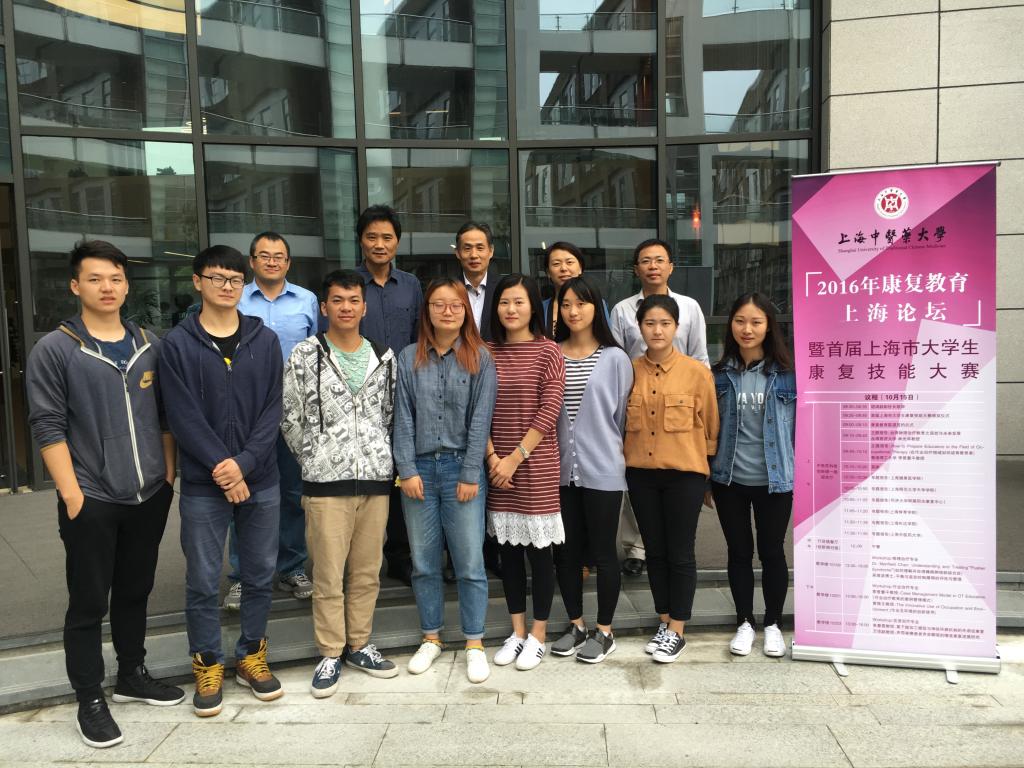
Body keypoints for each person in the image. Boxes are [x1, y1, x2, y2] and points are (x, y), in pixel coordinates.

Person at [26, 241, 183, 748]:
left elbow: (165, 417)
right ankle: (89, 697)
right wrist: (73, 496)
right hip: (91, 497)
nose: (107, 287)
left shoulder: (149, 344)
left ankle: (132, 675)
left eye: (115, 278)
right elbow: (47, 426)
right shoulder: (56, 349)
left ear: (126, 285)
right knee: (89, 600)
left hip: (148, 494)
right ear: (76, 286)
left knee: (135, 589)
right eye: (95, 279)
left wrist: (167, 477)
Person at [159, 245, 284, 716]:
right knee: (203, 579)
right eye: (217, 278)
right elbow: (181, 416)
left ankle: (251, 654)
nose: (227, 286)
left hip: (260, 478)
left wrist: (244, 464)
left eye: (234, 279)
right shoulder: (178, 344)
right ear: (198, 282)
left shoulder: (264, 340)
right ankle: (207, 661)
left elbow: (273, 409)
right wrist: (224, 468)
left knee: (259, 574)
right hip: (203, 483)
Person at [281, 269, 400, 698]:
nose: (346, 308)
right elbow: (289, 415)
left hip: (374, 481)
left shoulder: (384, 356)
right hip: (325, 484)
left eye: (353, 300)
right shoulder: (305, 354)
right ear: (324, 307)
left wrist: (378, 457)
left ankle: (360, 645)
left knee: (367, 571)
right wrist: (316, 456)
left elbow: (389, 415)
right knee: (328, 574)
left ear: (364, 307)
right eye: (337, 300)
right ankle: (330, 651)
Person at [394, 279, 496, 684]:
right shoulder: (409, 357)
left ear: (465, 311)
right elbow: (402, 417)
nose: (448, 311)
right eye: (439, 304)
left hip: (461, 470)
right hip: (419, 471)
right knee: (423, 563)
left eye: (455, 305)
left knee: (470, 563)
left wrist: (471, 473)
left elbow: (481, 420)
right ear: (428, 311)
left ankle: (474, 642)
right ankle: (431, 638)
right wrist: (407, 470)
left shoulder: (480, 357)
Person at [220, 232, 319, 611]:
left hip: (296, 412)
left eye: (279, 256)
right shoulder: (237, 298)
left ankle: (292, 567)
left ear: (288, 263)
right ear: (252, 261)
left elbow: (316, 355)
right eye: (264, 255)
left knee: (293, 494)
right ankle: (243, 576)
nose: (272, 261)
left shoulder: (307, 301)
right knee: (243, 493)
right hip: (247, 412)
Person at [624, 294, 718, 663]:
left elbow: (711, 427)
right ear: (640, 328)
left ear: (677, 327)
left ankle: (677, 628)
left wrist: (709, 479)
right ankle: (664, 620)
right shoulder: (628, 370)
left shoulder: (697, 373)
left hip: (685, 475)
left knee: (680, 552)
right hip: (641, 476)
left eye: (665, 323)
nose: (657, 330)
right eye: (650, 323)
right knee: (655, 550)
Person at [610, 238, 710, 578]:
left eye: (659, 260)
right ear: (636, 269)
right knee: (638, 480)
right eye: (645, 261)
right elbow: (616, 359)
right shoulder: (622, 310)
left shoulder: (689, 307)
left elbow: (700, 356)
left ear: (671, 267)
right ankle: (635, 548)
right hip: (638, 398)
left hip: (680, 405)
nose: (652, 266)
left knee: (677, 538)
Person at [549, 276, 632, 664]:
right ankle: (576, 625)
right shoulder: (551, 353)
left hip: (604, 470)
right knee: (566, 553)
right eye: (565, 304)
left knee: (603, 553)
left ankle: (605, 630)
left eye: (581, 303)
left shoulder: (615, 359)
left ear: (595, 308)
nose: (573, 311)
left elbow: (621, 417)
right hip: (560, 472)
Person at [485, 274, 565, 671]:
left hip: (535, 465)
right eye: (504, 302)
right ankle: (516, 632)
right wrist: (492, 459)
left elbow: (550, 409)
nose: (511, 309)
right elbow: (476, 409)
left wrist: (514, 458)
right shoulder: (485, 351)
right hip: (495, 465)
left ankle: (538, 634)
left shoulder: (549, 350)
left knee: (540, 554)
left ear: (533, 306)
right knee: (509, 554)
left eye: (519, 302)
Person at [709, 293, 796, 658]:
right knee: (739, 552)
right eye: (740, 321)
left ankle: (773, 624)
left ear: (769, 327)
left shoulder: (788, 375)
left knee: (772, 551)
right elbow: (709, 428)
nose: (747, 329)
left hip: (775, 481)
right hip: (729, 479)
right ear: (731, 325)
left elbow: (800, 429)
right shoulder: (718, 374)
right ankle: (744, 622)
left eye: (756, 322)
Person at [356, 204, 422, 586]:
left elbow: (419, 336)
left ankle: (399, 555)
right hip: (359, 395)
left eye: (387, 237)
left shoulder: (411, 285)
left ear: (397, 241)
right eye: (372, 237)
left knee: (401, 472)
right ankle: (362, 559)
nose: (379, 244)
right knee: (364, 476)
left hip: (404, 393)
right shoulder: (350, 284)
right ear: (361, 241)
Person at [540, 241, 609, 338]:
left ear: (580, 267)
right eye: (556, 264)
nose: (564, 268)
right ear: (548, 272)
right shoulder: (540, 309)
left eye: (569, 262)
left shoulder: (596, 303)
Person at [455, 221, 500, 341]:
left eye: (480, 248)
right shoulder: (448, 290)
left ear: (491, 251)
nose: (474, 255)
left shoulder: (503, 290)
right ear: (457, 253)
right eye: (467, 248)